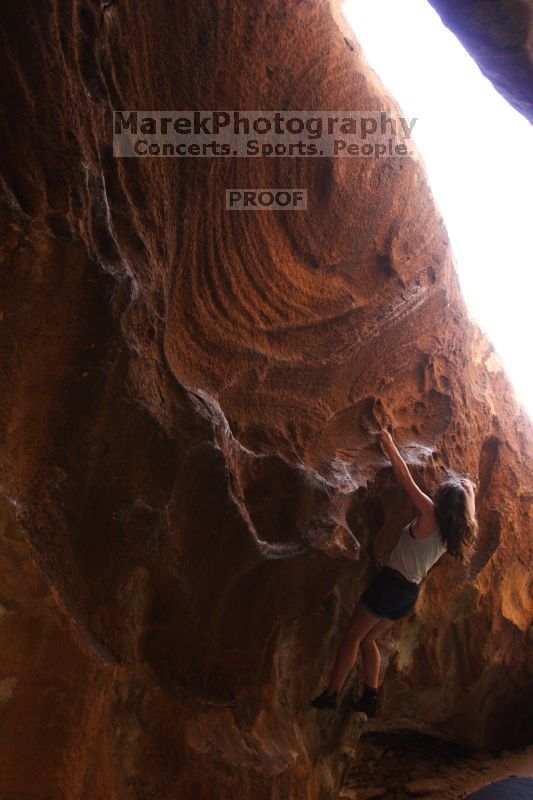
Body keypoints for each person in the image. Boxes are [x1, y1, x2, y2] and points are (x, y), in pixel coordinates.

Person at [311, 427, 478, 717]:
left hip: (390, 586)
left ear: (442, 500)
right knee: (368, 640)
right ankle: (370, 697)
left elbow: (406, 480)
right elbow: (468, 501)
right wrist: (469, 491)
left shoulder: (430, 514)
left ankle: (331, 693)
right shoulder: (452, 533)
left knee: (352, 637)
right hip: (407, 594)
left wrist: (390, 446)